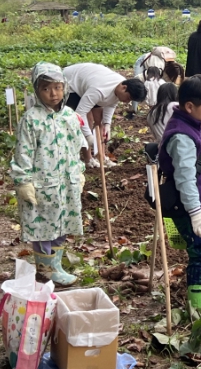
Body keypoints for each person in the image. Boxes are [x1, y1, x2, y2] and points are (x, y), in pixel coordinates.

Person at [10, 62, 88, 286]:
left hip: (66, 182)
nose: (53, 93)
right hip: (42, 184)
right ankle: (45, 270)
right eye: (46, 88)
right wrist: (23, 181)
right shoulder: (31, 119)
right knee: (43, 226)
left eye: (57, 87)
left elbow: (76, 146)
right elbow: (23, 152)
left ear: (65, 88)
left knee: (63, 224)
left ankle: (56, 265)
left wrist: (79, 171)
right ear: (37, 90)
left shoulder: (69, 117)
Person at [157, 75, 201, 313]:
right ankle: (197, 301)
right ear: (189, 106)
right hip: (191, 204)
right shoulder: (182, 136)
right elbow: (185, 177)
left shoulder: (196, 126)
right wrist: (195, 212)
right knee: (200, 250)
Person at [64, 63, 146, 167]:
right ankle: (88, 159)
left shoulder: (120, 86)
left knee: (99, 119)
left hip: (90, 82)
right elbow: (80, 114)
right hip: (71, 83)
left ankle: (100, 157)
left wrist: (107, 124)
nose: (127, 102)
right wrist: (89, 136)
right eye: (128, 98)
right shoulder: (99, 90)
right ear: (124, 88)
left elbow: (111, 104)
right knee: (88, 118)